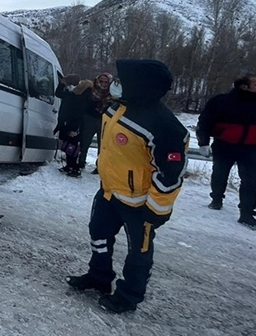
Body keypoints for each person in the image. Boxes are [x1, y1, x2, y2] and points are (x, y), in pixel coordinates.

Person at [66, 59, 189, 313]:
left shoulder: (165, 126)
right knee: (98, 234)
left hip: (139, 203)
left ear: (140, 85)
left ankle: (129, 295)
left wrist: (156, 210)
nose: (115, 84)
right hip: (109, 192)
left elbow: (171, 174)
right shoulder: (118, 107)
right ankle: (99, 277)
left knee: (138, 253)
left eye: (122, 80)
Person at [196, 74, 256, 229]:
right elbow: (205, 121)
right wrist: (203, 142)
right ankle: (216, 199)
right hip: (224, 145)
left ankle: (247, 214)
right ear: (244, 86)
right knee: (220, 175)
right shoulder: (222, 102)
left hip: (250, 148)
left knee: (251, 181)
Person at [77, 72, 115, 175]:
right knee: (85, 142)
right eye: (101, 81)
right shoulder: (90, 90)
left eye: (106, 82)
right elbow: (82, 103)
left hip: (104, 121)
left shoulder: (113, 94)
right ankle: (80, 163)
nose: (103, 84)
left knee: (102, 145)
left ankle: (99, 166)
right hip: (89, 118)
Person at [54, 74, 91, 177]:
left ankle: (75, 168)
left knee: (72, 146)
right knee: (68, 145)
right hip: (68, 121)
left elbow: (79, 112)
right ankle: (70, 165)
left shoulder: (80, 94)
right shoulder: (73, 93)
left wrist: (75, 128)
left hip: (74, 123)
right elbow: (59, 94)